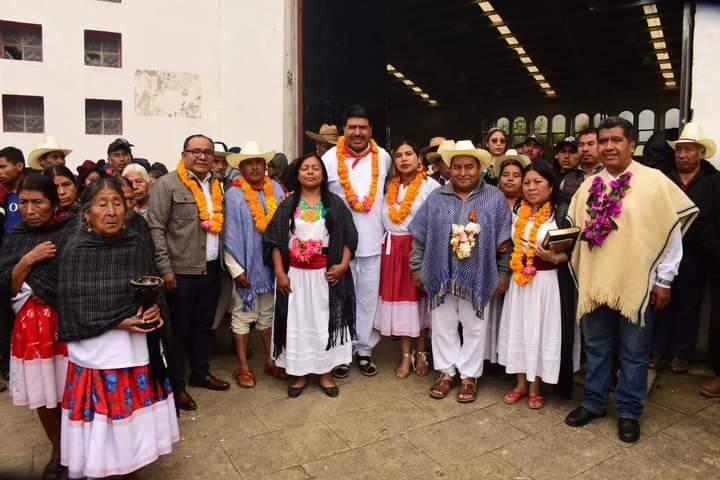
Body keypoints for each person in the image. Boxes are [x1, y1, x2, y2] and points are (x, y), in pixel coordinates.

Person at [565, 117, 698, 443]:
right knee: (596, 347)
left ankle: (628, 411)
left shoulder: (654, 182)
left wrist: (664, 281)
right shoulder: (589, 184)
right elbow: (574, 229)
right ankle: (594, 402)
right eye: (604, 140)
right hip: (596, 279)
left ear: (632, 144)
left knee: (634, 353)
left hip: (636, 284)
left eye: (617, 140)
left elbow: (671, 237)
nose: (609, 146)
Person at [57, 177, 178, 479]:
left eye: (117, 203)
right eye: (102, 204)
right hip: (98, 352)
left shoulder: (136, 244)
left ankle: (130, 465)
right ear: (87, 213)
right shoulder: (76, 251)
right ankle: (103, 467)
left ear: (127, 209)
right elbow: (73, 304)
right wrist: (119, 320)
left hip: (135, 349)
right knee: (104, 420)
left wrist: (154, 309)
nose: (111, 211)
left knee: (131, 419)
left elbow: (153, 286)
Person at [409, 140, 512, 403]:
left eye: (469, 167)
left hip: (478, 276)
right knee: (443, 326)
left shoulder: (494, 198)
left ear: (479, 169)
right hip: (439, 274)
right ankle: (446, 372)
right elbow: (419, 237)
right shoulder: (436, 197)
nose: (463, 172)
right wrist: (417, 268)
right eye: (457, 167)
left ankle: (469, 375)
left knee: (475, 326)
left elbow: (504, 243)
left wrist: (502, 273)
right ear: (449, 169)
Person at [0, 174, 77, 480]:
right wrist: (28, 260)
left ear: (55, 203)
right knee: (45, 395)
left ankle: (81, 448)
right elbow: (7, 285)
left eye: (38, 203)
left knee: (73, 392)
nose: (30, 210)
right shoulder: (16, 236)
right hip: (31, 329)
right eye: (25, 203)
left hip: (70, 323)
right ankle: (58, 451)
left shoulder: (72, 229)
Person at [264, 153, 358, 397]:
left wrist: (344, 265)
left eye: (315, 168)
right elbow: (274, 241)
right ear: (297, 174)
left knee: (323, 323)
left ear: (323, 174)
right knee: (297, 323)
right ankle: (298, 374)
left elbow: (349, 236)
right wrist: (279, 272)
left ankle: (325, 374)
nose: (310, 172)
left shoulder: (335, 204)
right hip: (294, 275)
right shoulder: (287, 204)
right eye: (305, 168)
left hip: (325, 276)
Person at [148, 134, 230, 412]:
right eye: (196, 151)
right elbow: (156, 227)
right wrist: (165, 268)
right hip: (180, 272)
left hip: (211, 269)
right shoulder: (167, 184)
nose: (202, 156)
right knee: (178, 332)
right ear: (184, 154)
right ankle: (177, 385)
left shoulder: (218, 185)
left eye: (207, 151)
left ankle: (201, 372)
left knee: (203, 327)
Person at [498, 161, 580, 409]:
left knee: (541, 331)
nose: (531, 187)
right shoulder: (517, 211)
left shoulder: (562, 213)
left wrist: (552, 257)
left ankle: (536, 386)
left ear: (551, 185)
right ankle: (521, 384)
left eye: (538, 182)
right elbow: (512, 243)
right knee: (520, 329)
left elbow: (575, 252)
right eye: (527, 182)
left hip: (547, 283)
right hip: (519, 281)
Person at [322, 105, 391, 378]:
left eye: (363, 127)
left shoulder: (383, 157)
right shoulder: (329, 159)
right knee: (340, 299)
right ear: (344, 130)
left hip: (374, 242)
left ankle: (364, 350)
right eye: (352, 127)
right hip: (339, 246)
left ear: (371, 130)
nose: (358, 133)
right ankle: (341, 352)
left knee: (367, 300)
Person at [652, 123, 718, 373]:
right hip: (664, 252)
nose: (682, 155)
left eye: (688, 150)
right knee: (659, 303)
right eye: (679, 150)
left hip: (696, 255)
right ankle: (656, 351)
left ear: (701, 153)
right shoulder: (663, 178)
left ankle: (681, 353)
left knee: (689, 304)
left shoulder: (713, 181)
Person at [374, 141, 440, 378]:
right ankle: (405, 354)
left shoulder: (430, 187)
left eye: (409, 154)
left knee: (419, 303)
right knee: (402, 307)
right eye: (399, 155)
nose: (403, 159)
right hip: (393, 250)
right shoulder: (388, 187)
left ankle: (421, 352)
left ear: (418, 158)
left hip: (417, 249)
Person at [224, 141, 287, 388]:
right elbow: (229, 234)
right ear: (241, 168)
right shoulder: (234, 194)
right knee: (242, 316)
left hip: (272, 267)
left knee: (267, 316)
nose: (254, 168)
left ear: (265, 166)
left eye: (258, 163)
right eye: (248, 164)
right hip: (245, 266)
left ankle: (270, 361)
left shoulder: (277, 191)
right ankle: (242, 367)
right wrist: (236, 269)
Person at [484, 154, 529, 364]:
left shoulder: (529, 204)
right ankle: (488, 357)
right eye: (506, 175)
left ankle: (509, 359)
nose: (510, 179)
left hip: (520, 268)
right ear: (499, 178)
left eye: (516, 175)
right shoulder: (488, 199)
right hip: (491, 263)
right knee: (489, 313)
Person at [0, 146, 27, 383]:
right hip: (8, 266)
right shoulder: (6, 197)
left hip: (28, 270)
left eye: (3, 166)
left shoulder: (28, 194)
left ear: (19, 166)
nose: (0, 172)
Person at [554, 136, 585, 202]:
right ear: (557, 155)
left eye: (572, 152)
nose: (566, 156)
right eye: (563, 151)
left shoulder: (585, 177)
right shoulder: (547, 174)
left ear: (580, 155)